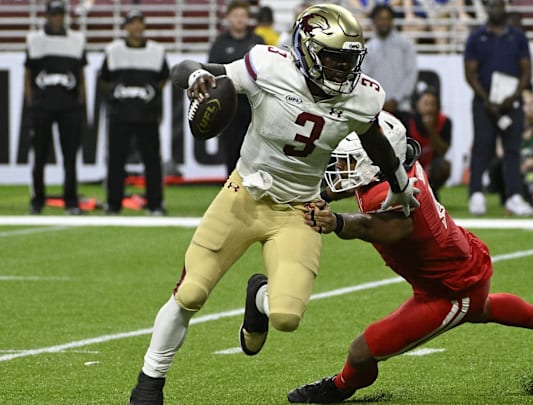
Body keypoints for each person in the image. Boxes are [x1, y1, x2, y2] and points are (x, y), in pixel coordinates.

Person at [127, 4, 420, 404]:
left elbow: (376, 144)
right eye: (333, 59)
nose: (341, 70)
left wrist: (401, 185)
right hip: (243, 194)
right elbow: (186, 67)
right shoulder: (268, 65)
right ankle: (149, 383)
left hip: (299, 210)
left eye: (348, 60)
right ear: (307, 48)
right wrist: (197, 76)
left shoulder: (363, 96)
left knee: (286, 317)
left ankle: (258, 299)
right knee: (191, 292)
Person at [287, 111, 533, 404]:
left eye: (349, 162)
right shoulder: (397, 173)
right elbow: (361, 185)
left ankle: (339, 388)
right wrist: (323, 195)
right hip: (458, 260)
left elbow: (383, 227)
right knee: (480, 308)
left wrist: (336, 222)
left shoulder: (388, 195)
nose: (342, 169)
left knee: (361, 352)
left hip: (449, 288)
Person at [464, 0, 533, 216]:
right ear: (487, 9)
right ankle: (476, 193)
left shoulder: (518, 37)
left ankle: (514, 196)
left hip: (511, 103)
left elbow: (526, 71)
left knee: (512, 150)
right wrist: (487, 99)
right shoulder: (476, 37)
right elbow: (469, 73)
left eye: (499, 5)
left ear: (505, 8)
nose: (496, 9)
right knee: (482, 147)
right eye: (492, 5)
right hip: (483, 102)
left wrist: (513, 97)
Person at [99, 10, 169, 216]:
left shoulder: (156, 51)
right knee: (116, 160)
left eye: (139, 23)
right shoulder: (113, 51)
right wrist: (118, 99)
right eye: (132, 23)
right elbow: (104, 79)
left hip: (147, 115)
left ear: (143, 26)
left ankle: (155, 203)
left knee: (152, 161)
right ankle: (113, 204)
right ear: (126, 27)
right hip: (120, 115)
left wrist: (148, 97)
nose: (136, 27)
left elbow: (163, 78)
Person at [25, 0, 87, 215]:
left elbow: (80, 75)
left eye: (60, 14)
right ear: (47, 16)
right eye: (54, 14)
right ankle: (37, 200)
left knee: (69, 157)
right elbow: (28, 73)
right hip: (42, 106)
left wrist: (81, 102)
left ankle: (71, 200)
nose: (57, 18)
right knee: (40, 155)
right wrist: (31, 102)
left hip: (69, 106)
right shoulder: (35, 40)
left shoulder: (76, 40)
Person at [207, 1, 265, 176]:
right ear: (228, 18)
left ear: (248, 19)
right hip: (228, 105)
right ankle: (231, 191)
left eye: (243, 16)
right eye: (236, 16)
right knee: (231, 150)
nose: (239, 20)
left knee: (256, 152)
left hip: (254, 105)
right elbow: (212, 72)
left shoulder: (257, 42)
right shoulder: (219, 43)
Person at [489, 89, 533, 206]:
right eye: (526, 104)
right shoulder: (506, 125)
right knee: (498, 164)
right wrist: (516, 164)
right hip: (514, 163)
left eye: (532, 103)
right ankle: (506, 195)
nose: (530, 107)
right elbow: (500, 152)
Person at [362, 4, 418, 123]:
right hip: (376, 110)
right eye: (380, 18)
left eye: (387, 18)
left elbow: (411, 75)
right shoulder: (368, 48)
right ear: (374, 21)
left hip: (402, 107)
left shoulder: (405, 44)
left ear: (392, 21)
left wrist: (396, 100)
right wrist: (379, 102)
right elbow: (365, 79)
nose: (384, 22)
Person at [407, 89, 451, 199]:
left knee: (444, 166)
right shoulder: (407, 122)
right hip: (411, 166)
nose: (429, 108)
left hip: (431, 166)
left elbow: (443, 150)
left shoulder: (444, 122)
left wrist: (431, 130)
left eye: (433, 104)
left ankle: (432, 190)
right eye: (426, 104)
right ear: (417, 105)